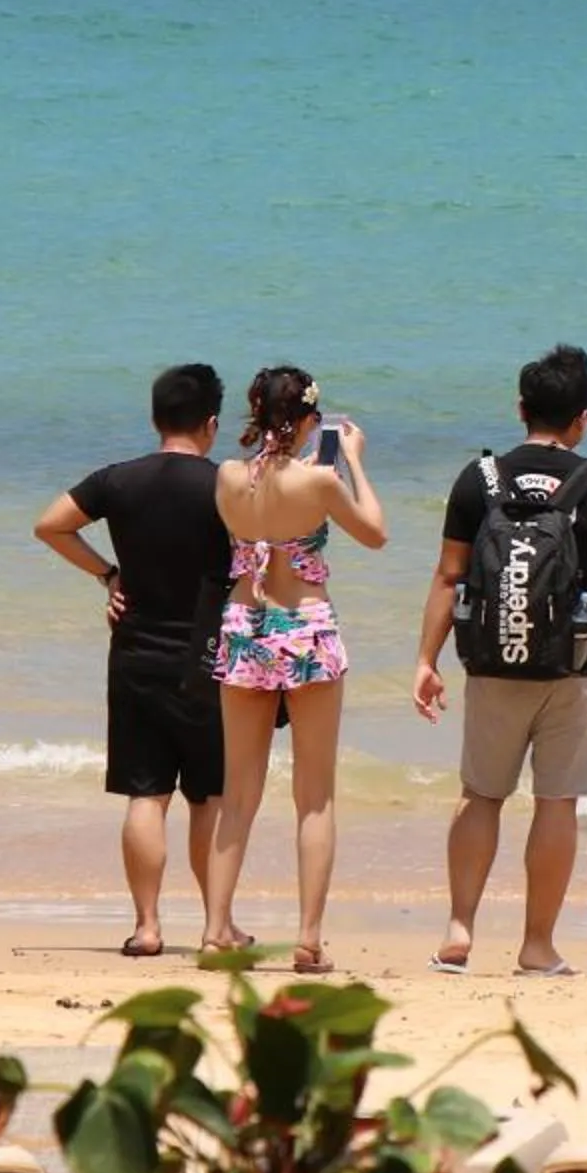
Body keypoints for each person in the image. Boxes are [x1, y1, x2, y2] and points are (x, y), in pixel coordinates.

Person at [411, 344, 587, 977]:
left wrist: (426, 660)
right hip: (573, 667)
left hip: (491, 662)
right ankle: (536, 946)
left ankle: (459, 931)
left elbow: (448, 574)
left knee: (481, 795)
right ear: (583, 418)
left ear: (521, 408)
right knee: (555, 803)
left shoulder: (478, 479)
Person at [31, 362, 236, 959]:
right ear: (212, 423)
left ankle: (146, 927)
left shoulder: (117, 481)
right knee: (210, 798)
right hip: (208, 655)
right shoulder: (225, 484)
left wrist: (108, 573)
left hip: (136, 651)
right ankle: (216, 928)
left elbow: (50, 526)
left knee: (146, 796)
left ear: (155, 418)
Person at [199, 365, 387, 974]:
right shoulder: (320, 480)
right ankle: (308, 938)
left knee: (237, 795)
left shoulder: (228, 477)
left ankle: (214, 931)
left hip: (244, 625)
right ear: (308, 419)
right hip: (305, 626)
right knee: (314, 797)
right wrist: (353, 461)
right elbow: (376, 533)